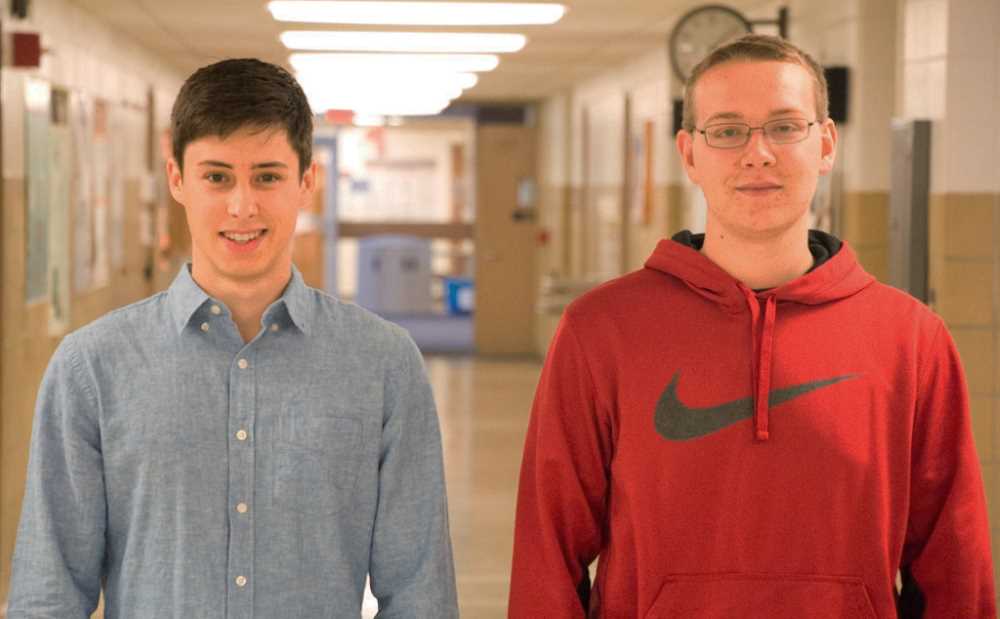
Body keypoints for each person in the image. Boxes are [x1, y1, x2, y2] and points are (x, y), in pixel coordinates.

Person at [508, 34, 995, 618]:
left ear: (826, 144)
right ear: (689, 154)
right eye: (728, 130)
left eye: (786, 126)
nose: (757, 153)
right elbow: (547, 550)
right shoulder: (602, 330)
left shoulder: (911, 339)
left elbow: (954, 565)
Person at [7, 58, 458, 618]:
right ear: (177, 180)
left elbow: (420, 592)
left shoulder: (383, 364)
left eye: (267, 176)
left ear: (306, 182)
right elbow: (48, 594)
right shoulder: (92, 368)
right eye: (217, 176)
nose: (242, 206)